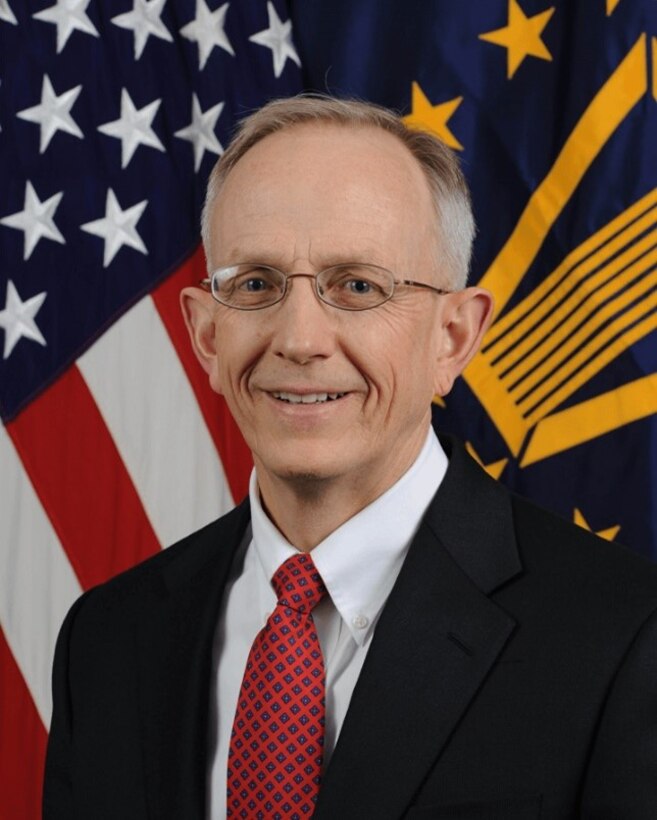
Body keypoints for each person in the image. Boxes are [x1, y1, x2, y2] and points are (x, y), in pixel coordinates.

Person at [43, 96, 657, 820]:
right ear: (207, 337)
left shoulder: (624, 638)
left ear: (452, 338)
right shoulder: (107, 639)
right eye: (256, 285)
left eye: (358, 287)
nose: (299, 338)